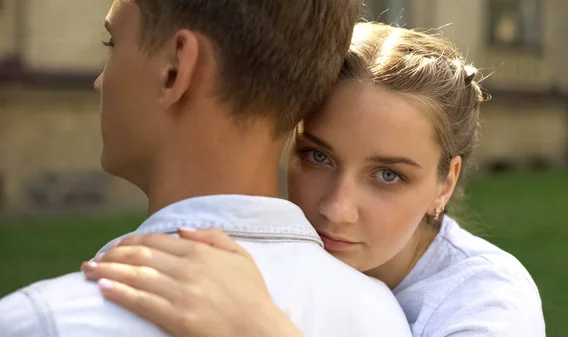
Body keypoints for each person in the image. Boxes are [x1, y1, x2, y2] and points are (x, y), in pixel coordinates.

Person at [82, 22, 547, 337]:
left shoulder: (488, 300)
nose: (335, 208)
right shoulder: (258, 254)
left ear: (445, 184)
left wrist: (262, 328)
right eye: (317, 156)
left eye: (388, 175)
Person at [0, 2, 413, 337]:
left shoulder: (45, 322)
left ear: (175, 70)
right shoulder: (381, 315)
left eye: (112, 43)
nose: (100, 81)